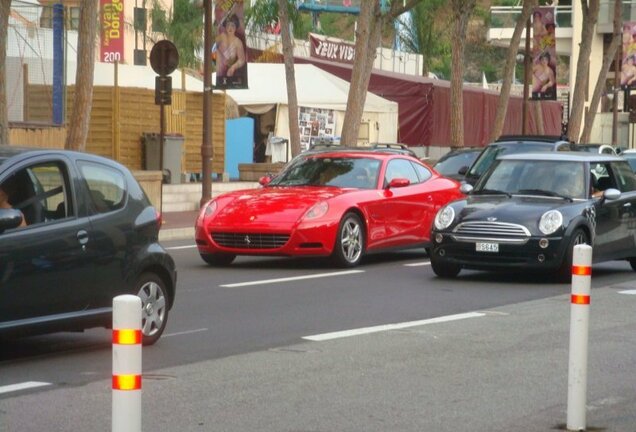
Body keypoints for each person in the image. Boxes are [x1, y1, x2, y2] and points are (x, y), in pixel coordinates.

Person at [215, 13, 246, 79]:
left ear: (236, 27)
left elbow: (242, 60)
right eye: (228, 25)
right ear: (225, 27)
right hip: (217, 70)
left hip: (228, 72)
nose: (230, 28)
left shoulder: (238, 42)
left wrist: (233, 67)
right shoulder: (222, 36)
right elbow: (212, 48)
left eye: (232, 25)